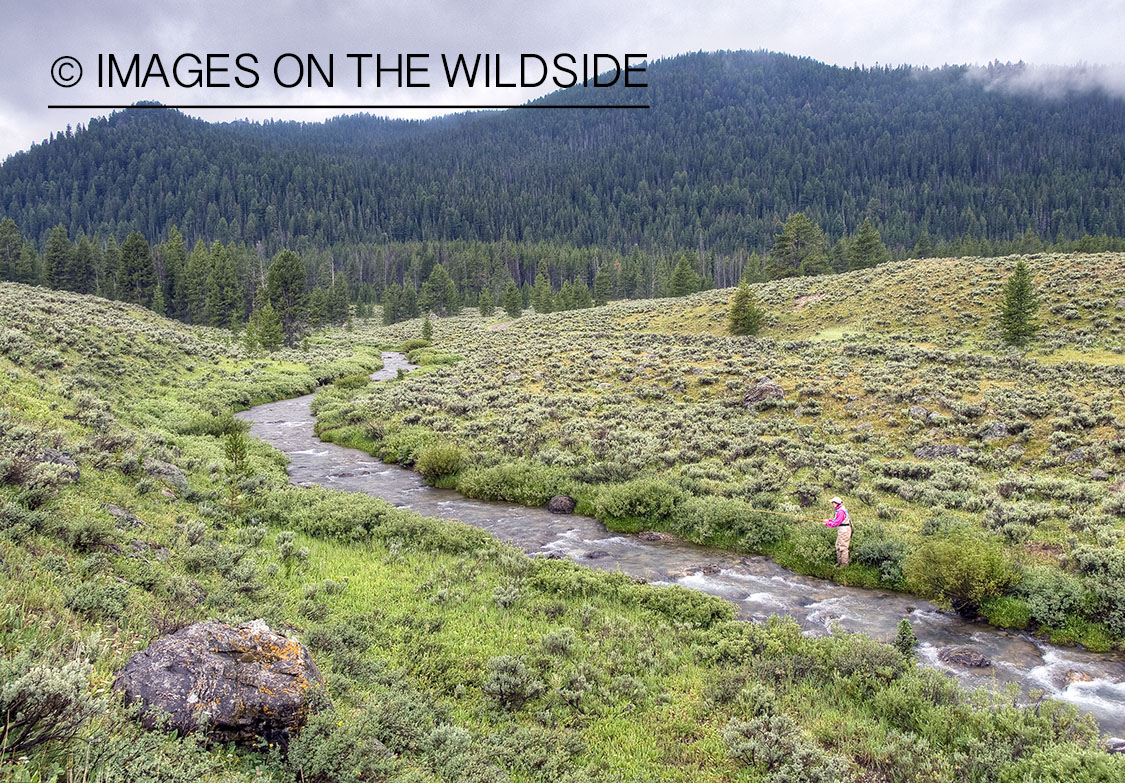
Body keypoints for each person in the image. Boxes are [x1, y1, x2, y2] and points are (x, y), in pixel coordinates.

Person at [823, 496, 852, 567]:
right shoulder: (840, 509)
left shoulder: (841, 511)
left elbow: (837, 523)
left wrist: (827, 524)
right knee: (838, 545)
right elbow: (836, 519)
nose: (832, 504)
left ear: (836, 503)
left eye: (833, 503)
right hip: (842, 529)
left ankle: (844, 565)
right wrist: (829, 520)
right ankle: (839, 563)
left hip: (844, 530)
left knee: (843, 547)